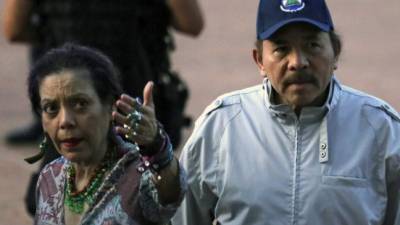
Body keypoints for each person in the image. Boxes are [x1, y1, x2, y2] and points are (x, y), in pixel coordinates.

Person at [172, 0, 400, 224]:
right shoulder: (221, 126)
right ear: (259, 60)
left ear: (336, 52)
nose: (297, 62)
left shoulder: (381, 129)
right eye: (282, 48)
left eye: (312, 45)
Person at [2, 0, 204, 147]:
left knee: (51, 194)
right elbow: (191, 24)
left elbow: (14, 29)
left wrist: (59, 35)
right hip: (133, 103)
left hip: (71, 107)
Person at [26, 43, 186, 225]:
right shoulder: (50, 177)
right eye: (51, 108)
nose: (65, 121)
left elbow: (171, 193)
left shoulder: (138, 175)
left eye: (80, 104)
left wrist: (156, 144)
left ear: (110, 105)